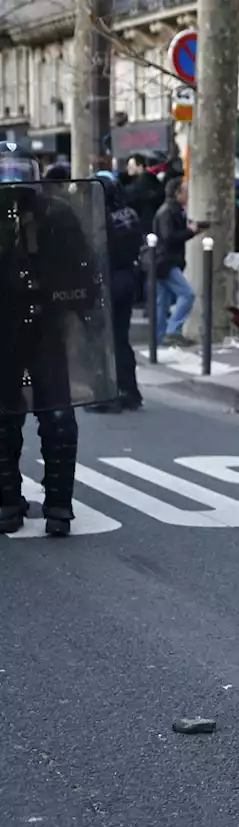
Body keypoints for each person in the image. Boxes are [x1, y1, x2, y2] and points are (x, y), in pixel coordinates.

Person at [0, 143, 109, 537]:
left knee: (14, 415)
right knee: (54, 413)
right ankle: (56, 506)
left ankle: (12, 504)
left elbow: (83, 271)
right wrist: (87, 317)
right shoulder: (59, 212)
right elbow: (85, 271)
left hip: (20, 330)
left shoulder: (57, 214)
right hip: (43, 329)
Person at [86, 170, 145, 414]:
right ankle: (129, 390)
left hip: (107, 279)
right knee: (121, 337)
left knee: (102, 340)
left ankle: (107, 394)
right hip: (128, 277)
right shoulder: (129, 214)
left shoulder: (99, 218)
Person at [152, 178, 201, 348]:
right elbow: (169, 237)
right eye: (185, 191)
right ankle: (172, 331)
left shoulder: (174, 210)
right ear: (177, 193)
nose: (188, 195)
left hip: (162, 261)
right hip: (166, 261)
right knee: (187, 294)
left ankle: (158, 341)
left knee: (162, 302)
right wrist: (190, 231)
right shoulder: (168, 211)